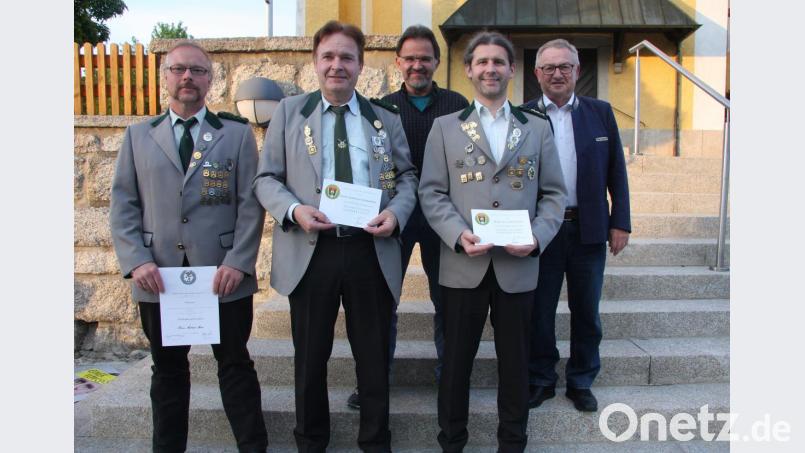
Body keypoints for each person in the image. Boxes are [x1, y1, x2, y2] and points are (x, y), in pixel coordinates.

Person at [252, 21, 417, 453]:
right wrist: (294, 210)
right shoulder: (289, 113)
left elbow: (407, 178)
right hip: (312, 249)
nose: (337, 65)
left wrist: (396, 216)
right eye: (328, 56)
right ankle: (311, 442)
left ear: (361, 65)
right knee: (310, 359)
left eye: (347, 57)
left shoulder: (384, 119)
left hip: (370, 248)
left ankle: (375, 441)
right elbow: (266, 178)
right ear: (315, 62)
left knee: (373, 358)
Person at [109, 41, 268, 452]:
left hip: (223, 275)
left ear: (210, 80)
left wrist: (239, 262)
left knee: (234, 365)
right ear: (164, 76)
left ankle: (253, 447)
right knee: (167, 371)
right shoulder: (138, 136)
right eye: (178, 69)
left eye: (197, 70)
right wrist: (136, 261)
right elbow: (124, 204)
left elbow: (250, 205)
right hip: (158, 276)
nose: (187, 78)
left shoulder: (234, 135)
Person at [418, 31, 566, 452]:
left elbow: (554, 193)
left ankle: (512, 442)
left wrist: (537, 237)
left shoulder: (535, 128)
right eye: (481, 62)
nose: (490, 69)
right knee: (455, 365)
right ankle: (452, 441)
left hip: (519, 267)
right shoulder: (445, 128)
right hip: (463, 263)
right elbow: (431, 191)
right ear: (468, 70)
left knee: (516, 364)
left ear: (512, 69)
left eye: (498, 62)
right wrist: (456, 234)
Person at [346, 24, 470, 410]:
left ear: (436, 62)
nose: (417, 65)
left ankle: (448, 377)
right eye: (410, 58)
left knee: (447, 301)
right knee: (381, 302)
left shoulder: (457, 104)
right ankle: (374, 380)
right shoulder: (379, 108)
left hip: (443, 217)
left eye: (425, 58)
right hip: (391, 217)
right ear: (398, 62)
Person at [524, 38, 631, 412]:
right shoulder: (523, 116)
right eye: (549, 67)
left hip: (589, 229)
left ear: (577, 71)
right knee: (540, 310)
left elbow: (616, 170)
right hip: (541, 231)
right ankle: (540, 378)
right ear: (537, 74)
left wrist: (621, 222)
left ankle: (581, 379)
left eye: (564, 67)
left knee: (587, 310)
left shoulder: (600, 113)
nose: (557, 74)